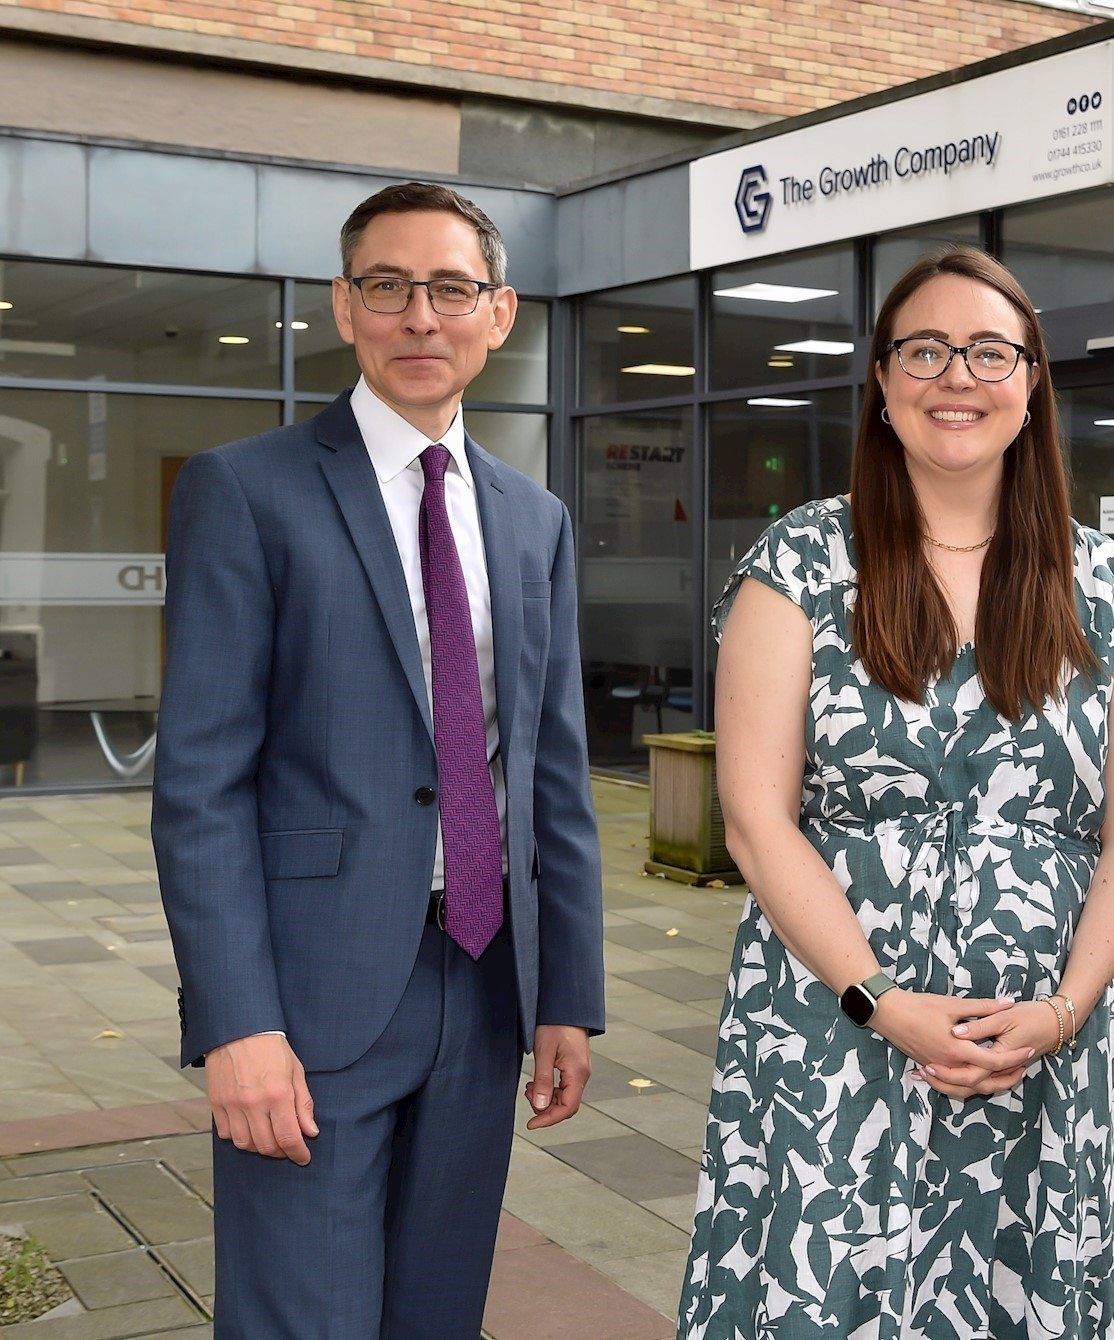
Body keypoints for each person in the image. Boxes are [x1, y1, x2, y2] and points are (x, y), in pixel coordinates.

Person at [679, 245, 1114, 1337]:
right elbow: (758, 821)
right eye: (926, 350)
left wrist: (1063, 1009)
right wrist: (881, 1001)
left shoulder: (1102, 583)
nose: (958, 376)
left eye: (990, 351)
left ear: (1031, 379)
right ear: (882, 382)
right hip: (836, 1026)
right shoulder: (799, 565)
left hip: (1050, 1039)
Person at [152, 181, 604, 1339]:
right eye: (389, 287)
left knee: (437, 1314)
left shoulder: (533, 518)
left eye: (451, 289)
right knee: (301, 1318)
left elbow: (551, 774)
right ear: (344, 308)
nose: (421, 316)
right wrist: (234, 1020)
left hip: (487, 980)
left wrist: (568, 997)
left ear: (498, 313)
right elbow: (200, 783)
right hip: (309, 998)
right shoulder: (245, 490)